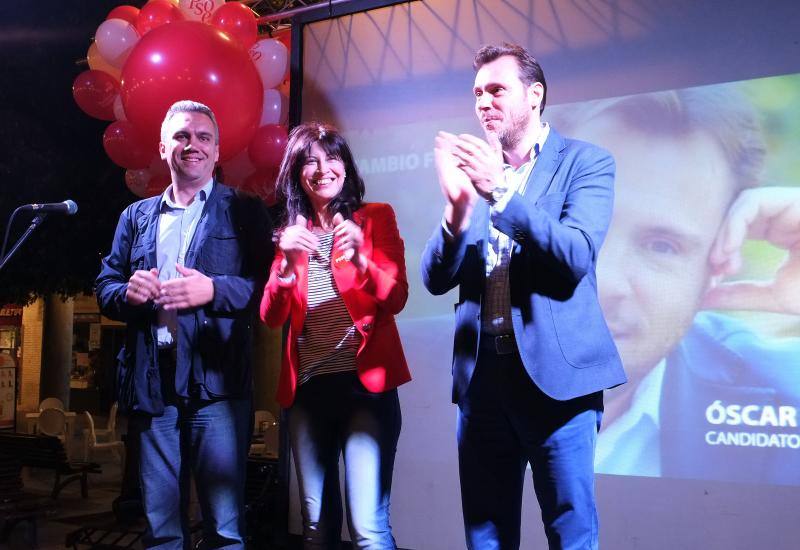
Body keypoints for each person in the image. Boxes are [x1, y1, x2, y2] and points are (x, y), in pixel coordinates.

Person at [421, 43, 626, 550]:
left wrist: (500, 194)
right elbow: (434, 279)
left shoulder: (584, 162)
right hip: (482, 380)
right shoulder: (473, 174)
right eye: (477, 93)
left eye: (496, 89)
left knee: (570, 532)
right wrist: (455, 211)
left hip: (558, 384)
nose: (483, 102)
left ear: (535, 95)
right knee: (486, 535)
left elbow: (575, 254)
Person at [556, 87, 800, 483]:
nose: (603, 283)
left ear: (717, 265)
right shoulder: (440, 365)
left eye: (661, 246)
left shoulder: (787, 399)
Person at [95, 100, 272, 548]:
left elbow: (268, 288)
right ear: (162, 148)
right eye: (181, 136)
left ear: (217, 151)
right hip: (153, 384)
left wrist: (213, 290)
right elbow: (105, 286)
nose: (193, 145)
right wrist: (126, 293)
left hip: (218, 387)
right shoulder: (135, 217)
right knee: (160, 530)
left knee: (225, 530)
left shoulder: (244, 210)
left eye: (203, 137)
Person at [260, 122, 411, 549]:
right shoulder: (292, 235)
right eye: (310, 161)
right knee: (316, 528)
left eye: (332, 158)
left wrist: (363, 260)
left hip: (366, 389)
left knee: (368, 528)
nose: (323, 168)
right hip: (308, 392)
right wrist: (287, 265)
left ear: (346, 166)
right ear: (297, 174)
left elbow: (396, 297)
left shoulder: (375, 217)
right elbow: (271, 316)